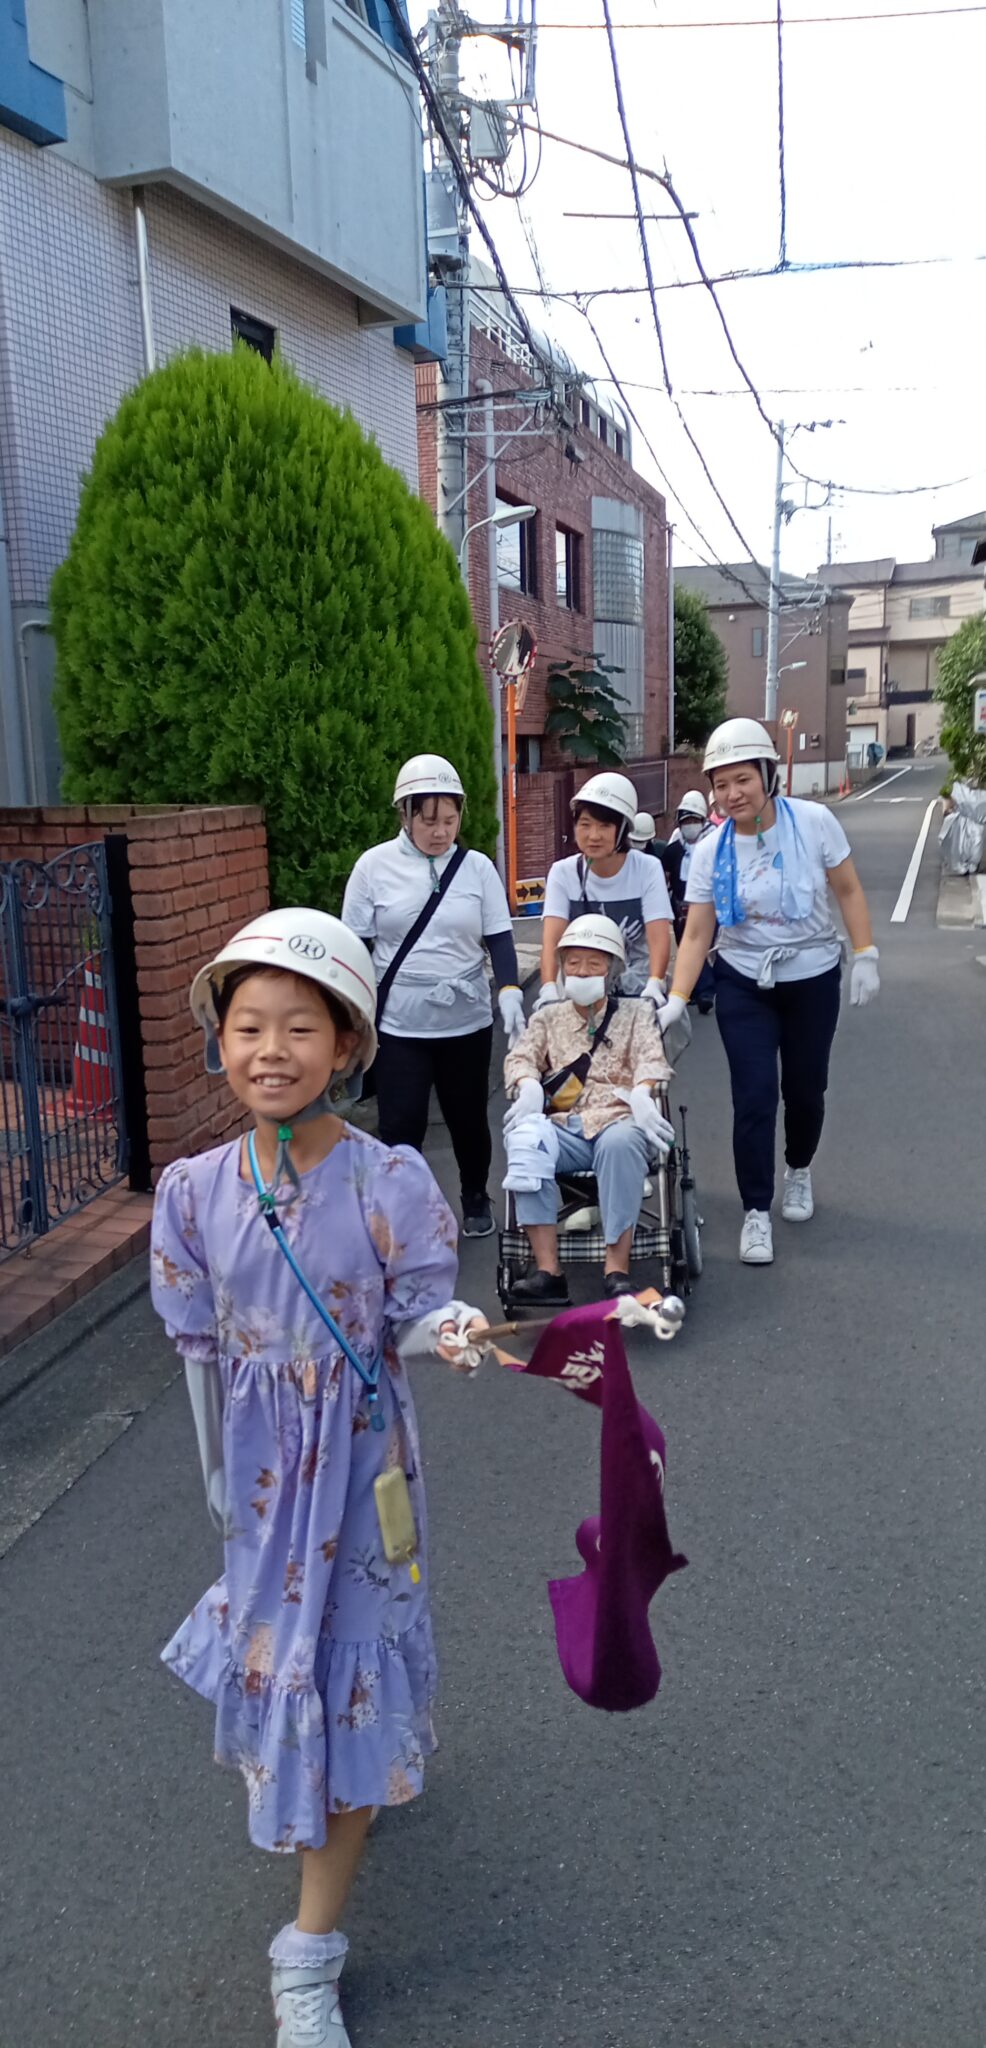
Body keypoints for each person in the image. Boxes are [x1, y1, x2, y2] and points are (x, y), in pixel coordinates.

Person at [151, 908, 488, 2048]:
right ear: (221, 1040)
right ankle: (353, 1779)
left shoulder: (388, 1181)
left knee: (344, 1665)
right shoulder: (192, 1192)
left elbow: (414, 1314)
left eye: (301, 1027)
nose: (271, 1050)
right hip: (259, 1492)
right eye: (249, 1025)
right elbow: (201, 1353)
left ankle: (305, 1956)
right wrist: (215, 1475)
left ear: (346, 1046)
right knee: (290, 1663)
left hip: (359, 1471)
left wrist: (450, 1327)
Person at [658, 717, 880, 1267]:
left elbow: (848, 889)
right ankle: (756, 1210)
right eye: (721, 784)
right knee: (754, 1096)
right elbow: (697, 932)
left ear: (767, 774)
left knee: (805, 1090)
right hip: (744, 981)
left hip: (812, 977)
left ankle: (798, 1169)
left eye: (743, 779)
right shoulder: (711, 850)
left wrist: (866, 954)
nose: (732, 793)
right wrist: (678, 998)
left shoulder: (814, 822)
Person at [342, 753, 525, 1240]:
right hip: (400, 1024)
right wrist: (351, 1011)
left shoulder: (477, 868)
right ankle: (406, 1210)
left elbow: (499, 938)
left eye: (449, 819)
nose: (441, 832)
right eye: (428, 821)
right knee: (401, 1123)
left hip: (466, 1021)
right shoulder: (373, 867)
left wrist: (509, 989)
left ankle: (474, 1194)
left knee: (468, 1119)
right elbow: (355, 945)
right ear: (404, 814)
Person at [503, 914, 674, 1306]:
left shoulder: (637, 1014)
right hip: (564, 1127)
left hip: (619, 1121)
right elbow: (520, 1057)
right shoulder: (547, 1018)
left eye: (593, 963)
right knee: (526, 1141)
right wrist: (528, 1084)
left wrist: (644, 1091)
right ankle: (548, 1272)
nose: (582, 971)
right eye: (574, 963)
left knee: (619, 1143)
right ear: (563, 967)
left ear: (611, 970)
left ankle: (617, 1270)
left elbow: (652, 1058)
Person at [538, 772, 672, 1009]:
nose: (594, 836)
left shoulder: (647, 868)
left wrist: (655, 982)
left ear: (622, 829)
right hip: (579, 989)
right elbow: (552, 940)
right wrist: (548, 987)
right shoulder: (563, 872)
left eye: (605, 826)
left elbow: (658, 936)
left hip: (637, 989)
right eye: (585, 824)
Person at [654, 790, 717, 1015]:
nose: (690, 826)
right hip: (680, 907)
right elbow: (665, 878)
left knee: (705, 946)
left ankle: (706, 992)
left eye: (693, 820)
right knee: (686, 947)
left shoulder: (714, 845)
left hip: (709, 906)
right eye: (686, 821)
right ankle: (692, 990)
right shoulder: (673, 849)